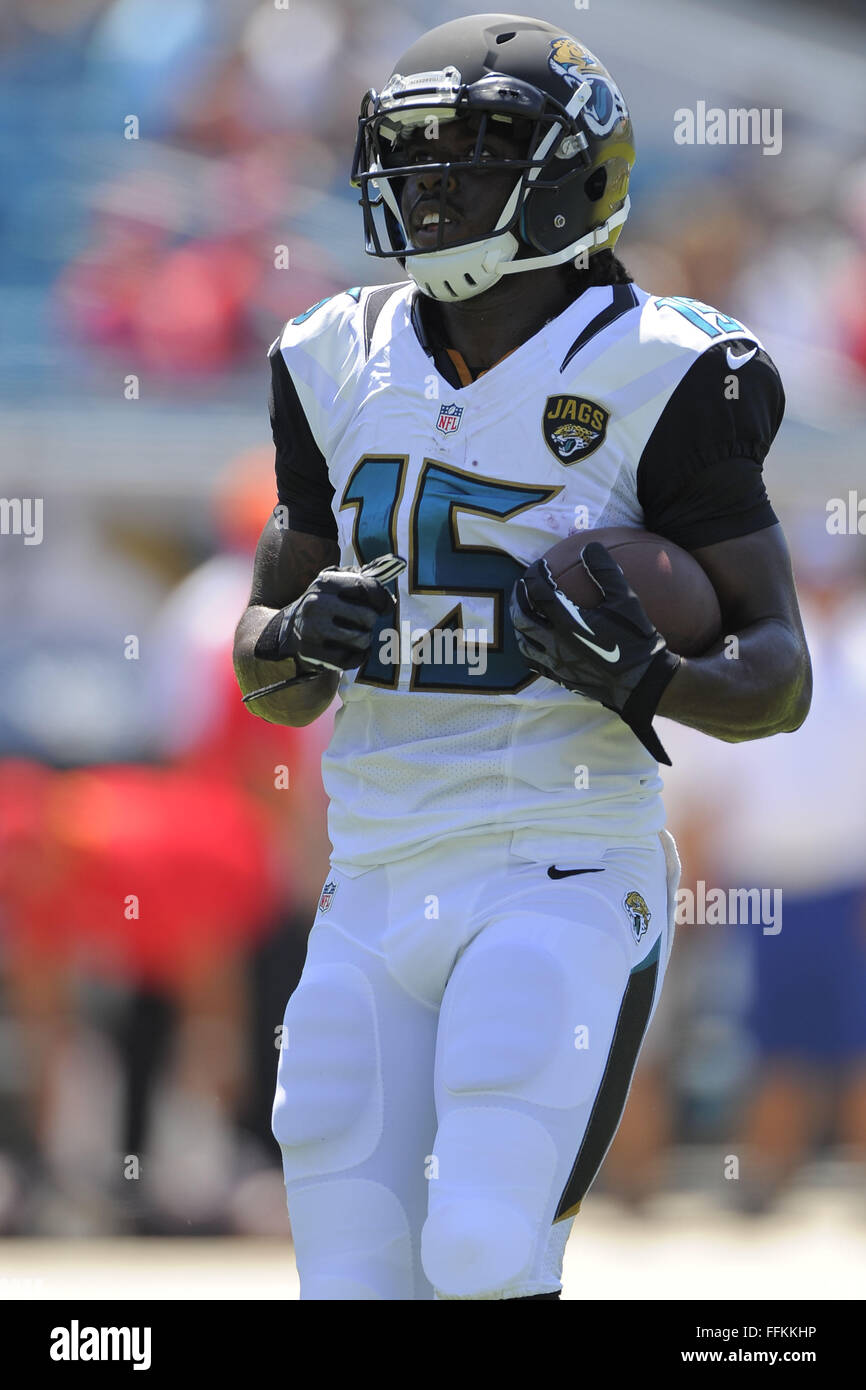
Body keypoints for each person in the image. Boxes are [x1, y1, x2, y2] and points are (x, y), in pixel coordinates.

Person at [233, 14, 811, 1300]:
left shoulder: (667, 371)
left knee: (484, 1246)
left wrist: (642, 677)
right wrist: (289, 637)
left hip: (558, 858)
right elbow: (265, 669)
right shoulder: (329, 358)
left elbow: (777, 678)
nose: (428, 185)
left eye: (472, 153)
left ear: (568, 175)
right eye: (415, 154)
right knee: (352, 1280)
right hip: (370, 875)